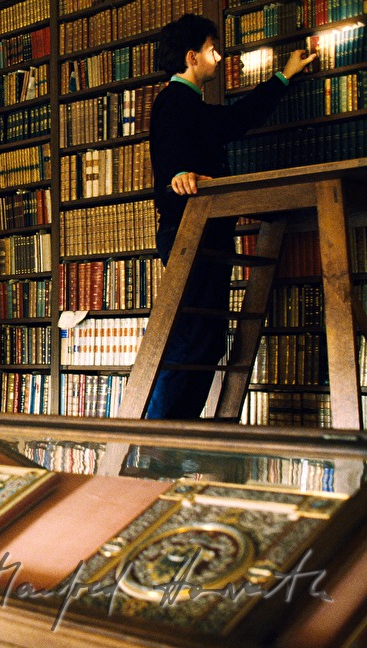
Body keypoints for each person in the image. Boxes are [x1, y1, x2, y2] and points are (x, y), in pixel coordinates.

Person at [145, 14, 317, 419]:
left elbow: (231, 123)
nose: (220, 58)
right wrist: (178, 176)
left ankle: (174, 431)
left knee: (204, 340)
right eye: (212, 50)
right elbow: (170, 157)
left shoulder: (192, 105)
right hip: (191, 231)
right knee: (191, 340)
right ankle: (156, 437)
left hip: (207, 232)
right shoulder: (174, 101)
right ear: (192, 57)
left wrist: (283, 76)